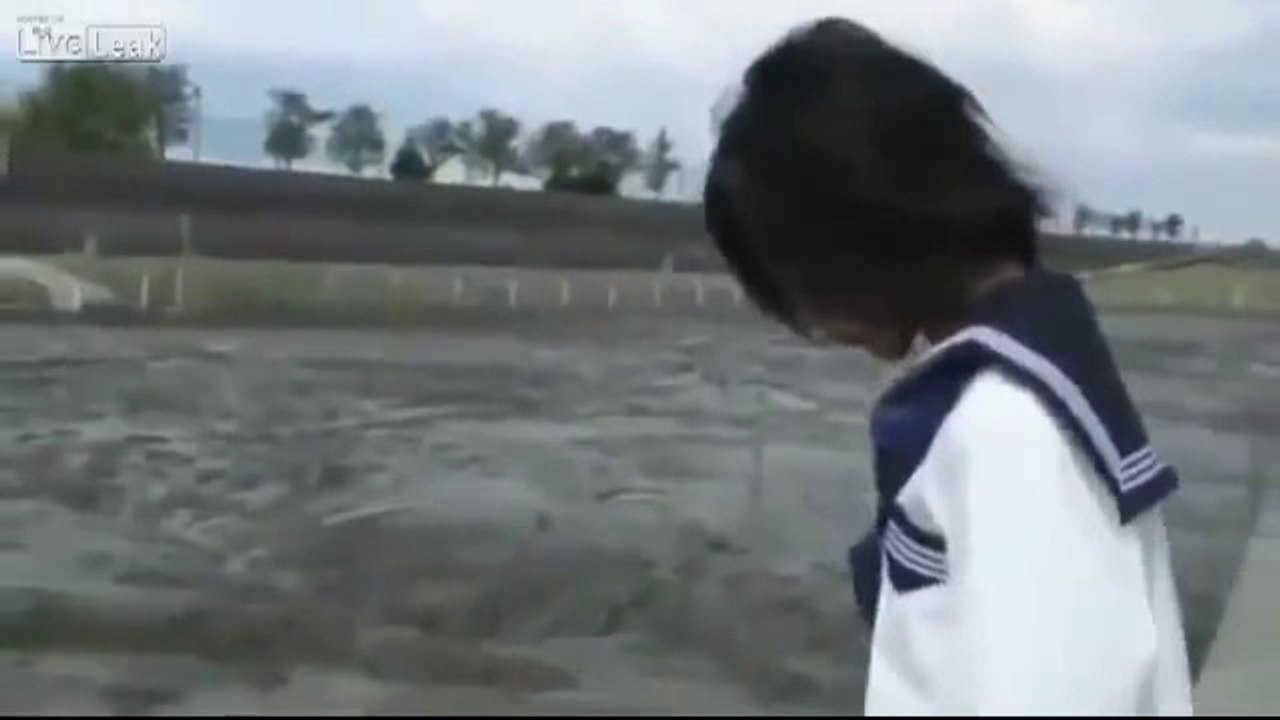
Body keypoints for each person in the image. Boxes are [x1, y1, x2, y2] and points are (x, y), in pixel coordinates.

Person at [703, 17, 1194, 715]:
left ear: (855, 237)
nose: (809, 323)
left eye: (794, 284)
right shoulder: (1032, 376)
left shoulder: (1006, 429)